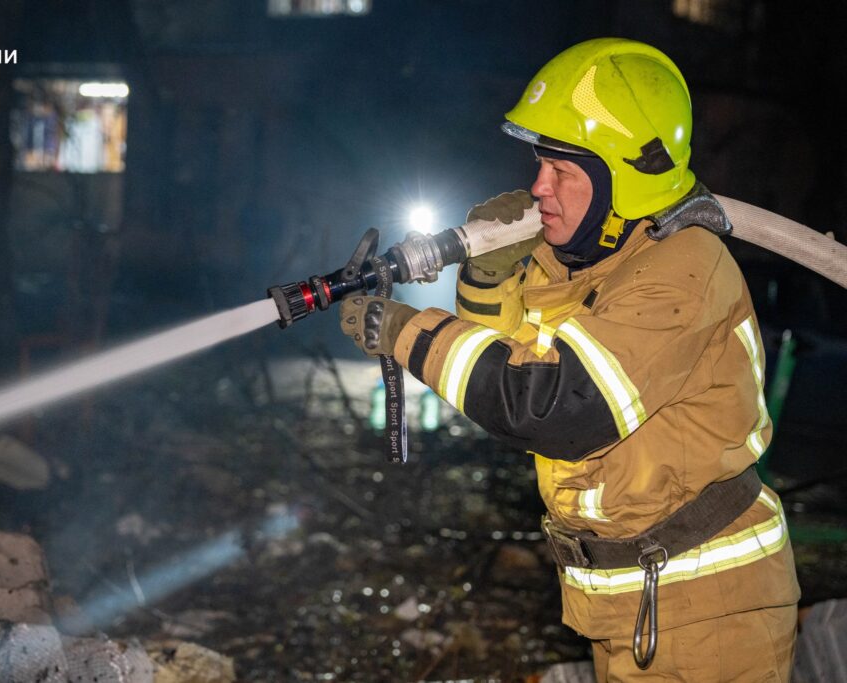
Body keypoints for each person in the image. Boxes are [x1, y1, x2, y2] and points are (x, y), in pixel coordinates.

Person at [339, 38, 799, 681]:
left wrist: (409, 333)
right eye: (539, 164)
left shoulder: (681, 272)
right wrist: (485, 277)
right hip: (628, 606)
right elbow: (504, 374)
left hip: (707, 618)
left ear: (626, 176)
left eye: (563, 171)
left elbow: (551, 406)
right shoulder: (578, 265)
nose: (537, 187)